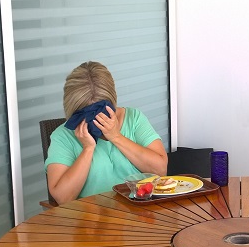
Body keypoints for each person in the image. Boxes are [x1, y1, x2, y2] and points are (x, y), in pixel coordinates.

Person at [45, 61, 168, 204]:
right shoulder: (63, 135)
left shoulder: (133, 118)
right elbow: (62, 198)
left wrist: (116, 137)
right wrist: (88, 149)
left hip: (141, 210)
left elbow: (160, 170)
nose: (95, 119)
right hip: (92, 215)